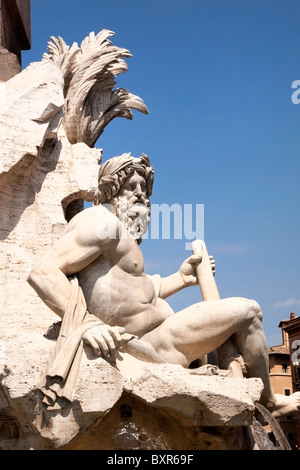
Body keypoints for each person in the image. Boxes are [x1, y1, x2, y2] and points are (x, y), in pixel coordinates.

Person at [28, 153, 300, 418]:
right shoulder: (103, 222)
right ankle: (271, 402)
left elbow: (138, 293)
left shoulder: (122, 236)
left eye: (144, 189)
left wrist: (181, 278)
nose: (140, 195)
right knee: (249, 311)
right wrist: (87, 325)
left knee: (231, 332)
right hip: (150, 343)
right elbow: (43, 272)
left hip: (158, 336)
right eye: (130, 187)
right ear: (110, 189)